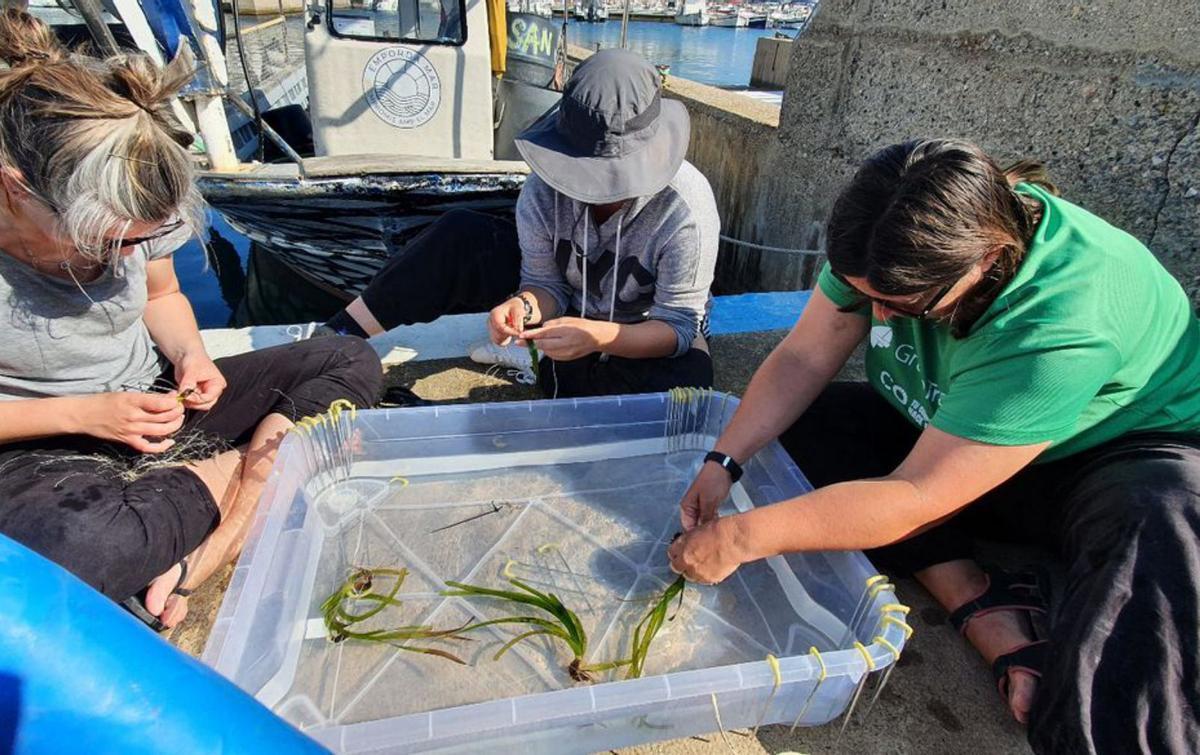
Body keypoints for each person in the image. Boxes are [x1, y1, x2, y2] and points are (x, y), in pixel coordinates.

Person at [667, 139, 1200, 752]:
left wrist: (742, 536)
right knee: (809, 427)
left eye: (899, 306)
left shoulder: (1060, 323)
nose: (876, 320)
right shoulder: (891, 235)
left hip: (1100, 463)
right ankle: (977, 596)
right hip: (956, 435)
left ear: (987, 261)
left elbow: (917, 494)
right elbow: (806, 354)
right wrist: (723, 462)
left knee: (1164, 527)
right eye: (862, 294)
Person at [0, 10, 382, 630]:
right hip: (35, 446)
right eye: (112, 242)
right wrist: (78, 413)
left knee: (348, 357)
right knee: (75, 553)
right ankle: (249, 468)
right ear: (15, 190)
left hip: (153, 403)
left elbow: (162, 295)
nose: (129, 256)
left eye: (142, 241)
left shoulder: (126, 194)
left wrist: (189, 355)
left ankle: (201, 543)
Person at [317, 49, 719, 397]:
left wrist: (598, 338)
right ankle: (334, 339)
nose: (595, 190)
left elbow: (678, 328)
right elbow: (545, 283)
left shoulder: (685, 207)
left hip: (641, 326)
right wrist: (523, 307)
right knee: (460, 234)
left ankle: (539, 356)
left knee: (689, 385)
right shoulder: (543, 189)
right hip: (572, 303)